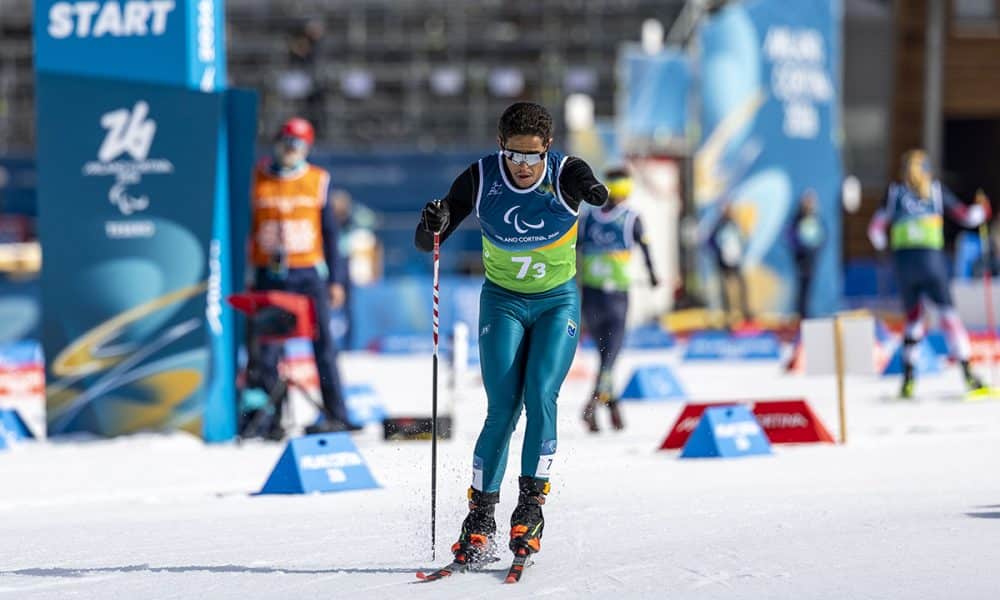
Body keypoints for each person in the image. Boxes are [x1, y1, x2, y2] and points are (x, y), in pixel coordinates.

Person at [414, 102, 607, 570]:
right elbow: (428, 241)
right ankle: (480, 517)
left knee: (541, 394)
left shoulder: (564, 174)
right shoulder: (481, 178)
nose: (524, 167)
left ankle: (530, 507)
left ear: (548, 150)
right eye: (516, 157)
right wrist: (433, 222)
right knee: (503, 407)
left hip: (556, 302)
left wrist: (593, 191)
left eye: (533, 157)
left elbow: (589, 186)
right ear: (501, 148)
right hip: (502, 301)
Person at [248, 117, 358, 432]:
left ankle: (337, 414)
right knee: (267, 347)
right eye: (286, 141)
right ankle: (270, 418)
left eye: (297, 143)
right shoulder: (257, 178)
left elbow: (331, 236)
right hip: (269, 274)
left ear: (306, 147)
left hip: (308, 273)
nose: (290, 148)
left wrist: (336, 279)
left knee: (323, 346)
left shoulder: (317, 179)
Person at [867, 149, 990, 399]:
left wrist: (884, 250)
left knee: (913, 320)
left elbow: (875, 231)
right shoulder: (934, 191)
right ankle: (969, 375)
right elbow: (968, 218)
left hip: (904, 264)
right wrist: (983, 211)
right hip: (931, 262)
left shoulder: (895, 194)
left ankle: (908, 380)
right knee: (948, 316)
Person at [578, 166, 658, 433]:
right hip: (616, 297)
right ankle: (591, 405)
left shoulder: (588, 217)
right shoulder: (631, 218)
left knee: (605, 355)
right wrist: (654, 276)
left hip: (590, 294)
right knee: (610, 355)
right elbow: (646, 249)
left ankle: (613, 407)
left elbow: (572, 250)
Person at [708, 201, 751, 325]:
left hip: (735, 261)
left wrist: (738, 252)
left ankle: (745, 312)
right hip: (723, 262)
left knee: (741, 286)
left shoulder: (735, 226)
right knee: (725, 289)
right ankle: (728, 314)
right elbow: (710, 242)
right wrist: (719, 254)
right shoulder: (718, 226)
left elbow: (743, 240)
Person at [790, 189, 826, 319]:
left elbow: (822, 236)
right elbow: (791, 237)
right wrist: (799, 251)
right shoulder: (798, 218)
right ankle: (800, 312)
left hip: (812, 257)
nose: (810, 204)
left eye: (811, 202)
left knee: (809, 286)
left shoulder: (815, 217)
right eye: (808, 201)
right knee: (802, 286)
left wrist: (816, 249)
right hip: (801, 258)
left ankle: (806, 311)